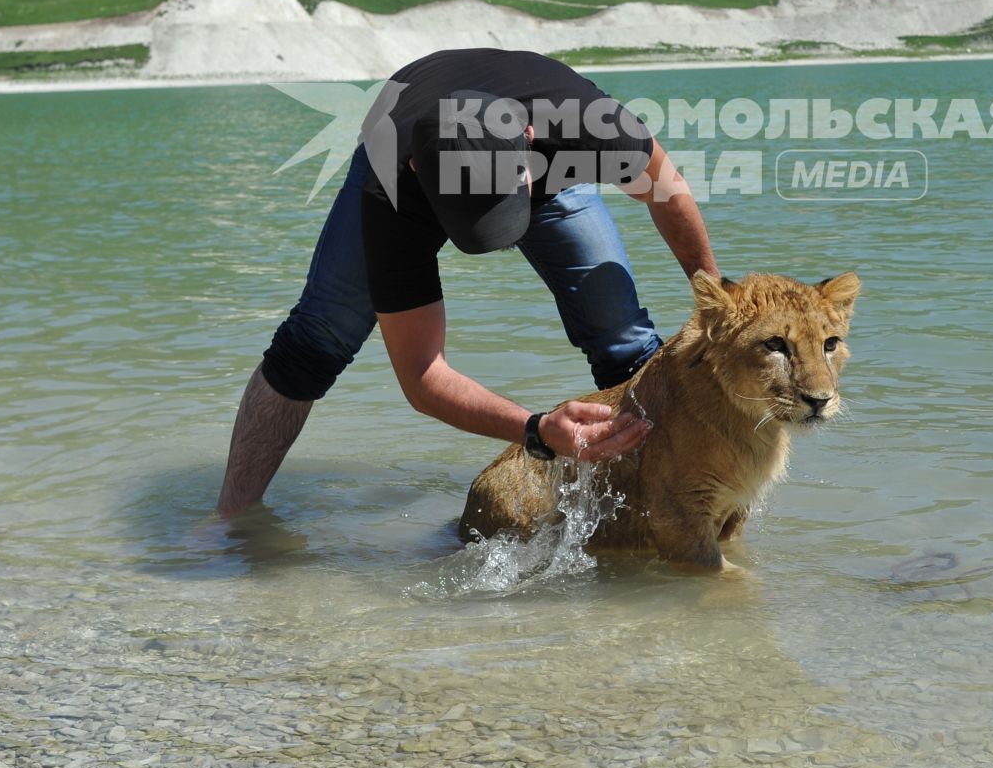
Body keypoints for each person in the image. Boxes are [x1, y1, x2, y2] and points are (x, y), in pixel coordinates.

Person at [217, 47, 720, 515]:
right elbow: (422, 376)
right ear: (419, 168)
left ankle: (675, 509)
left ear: (528, 141)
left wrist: (716, 300)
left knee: (623, 339)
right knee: (315, 342)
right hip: (402, 143)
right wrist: (538, 430)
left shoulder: (589, 125)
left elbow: (666, 192)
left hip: (543, 165)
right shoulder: (392, 186)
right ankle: (230, 520)